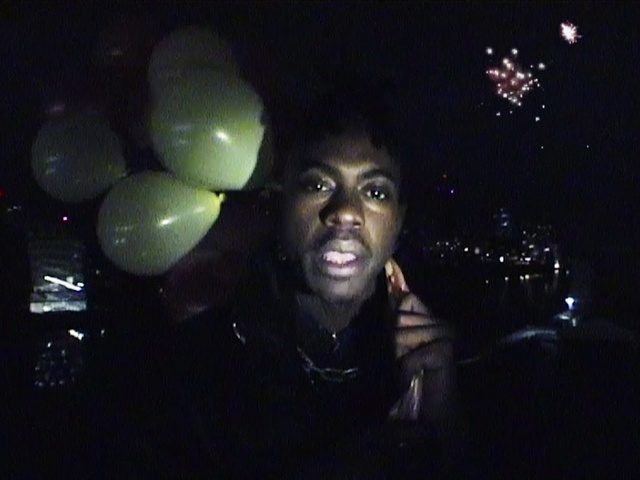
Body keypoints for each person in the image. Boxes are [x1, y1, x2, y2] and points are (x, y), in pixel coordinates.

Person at [83, 80, 463, 479]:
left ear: (399, 220)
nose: (346, 212)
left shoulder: (430, 356)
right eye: (318, 184)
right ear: (282, 203)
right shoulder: (197, 365)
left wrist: (444, 416)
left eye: (376, 192)